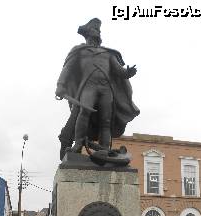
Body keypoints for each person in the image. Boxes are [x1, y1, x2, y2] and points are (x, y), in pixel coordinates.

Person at [55, 18, 140, 160]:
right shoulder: (79, 51)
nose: (98, 32)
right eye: (95, 30)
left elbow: (119, 71)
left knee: (106, 121)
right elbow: (68, 68)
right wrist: (60, 85)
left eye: (99, 30)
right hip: (88, 87)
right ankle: (78, 145)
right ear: (88, 33)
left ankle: (105, 149)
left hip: (106, 89)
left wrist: (128, 73)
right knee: (84, 112)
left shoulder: (108, 53)